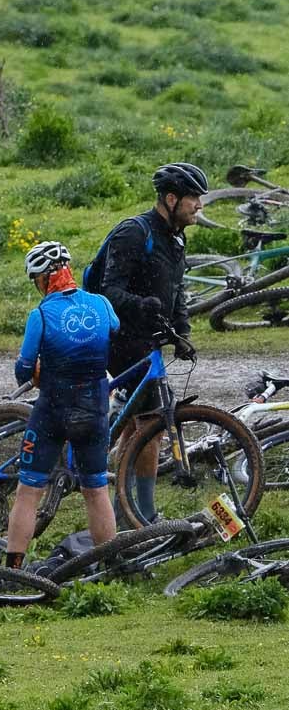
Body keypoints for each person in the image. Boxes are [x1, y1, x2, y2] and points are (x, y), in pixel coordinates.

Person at [96, 161, 207, 522]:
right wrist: (140, 305)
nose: (199, 207)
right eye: (194, 199)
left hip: (149, 341)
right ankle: (144, 512)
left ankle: (121, 509)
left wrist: (182, 332)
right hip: (122, 340)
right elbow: (106, 291)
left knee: (136, 426)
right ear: (171, 198)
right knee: (153, 427)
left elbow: (177, 291)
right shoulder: (134, 232)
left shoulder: (176, 238)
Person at [4, 241, 119, 570]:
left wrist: (40, 370)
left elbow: (23, 370)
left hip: (53, 409)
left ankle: (13, 570)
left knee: (29, 490)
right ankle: (109, 568)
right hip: (95, 407)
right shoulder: (100, 304)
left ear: (41, 280)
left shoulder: (40, 314)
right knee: (95, 488)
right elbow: (114, 328)